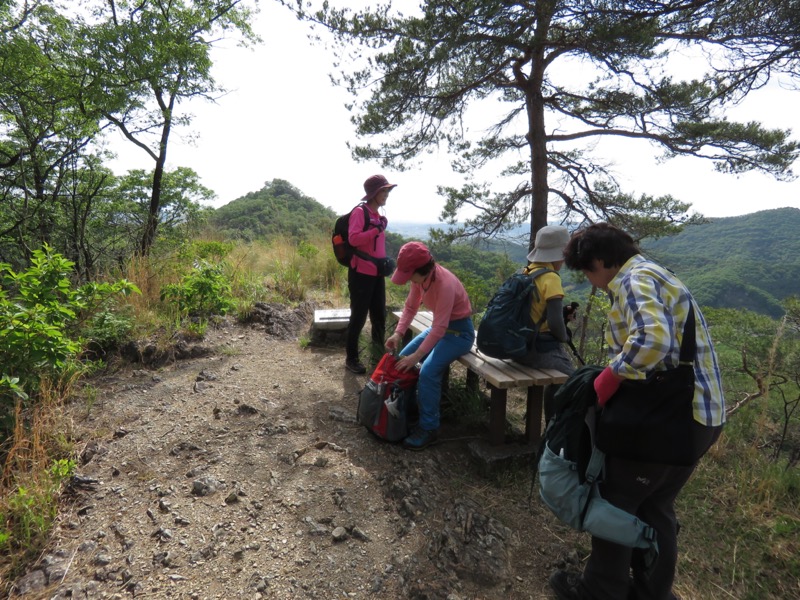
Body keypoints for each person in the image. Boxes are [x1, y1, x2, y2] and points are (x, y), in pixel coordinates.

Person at [550, 222, 726, 600]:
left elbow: (652, 340)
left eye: (587, 271)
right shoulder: (658, 274)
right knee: (656, 505)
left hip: (669, 418)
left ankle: (599, 591)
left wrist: (608, 378)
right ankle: (652, 591)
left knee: (617, 502)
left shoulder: (632, 280)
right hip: (702, 416)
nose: (591, 281)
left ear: (600, 260)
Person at [385, 241, 474, 450]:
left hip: (459, 333)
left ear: (421, 270)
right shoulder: (420, 280)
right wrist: (398, 334)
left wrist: (417, 357)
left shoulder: (444, 284)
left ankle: (429, 427)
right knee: (402, 360)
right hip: (439, 329)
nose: (408, 280)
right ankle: (410, 411)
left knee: (427, 371)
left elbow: (441, 327)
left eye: (409, 274)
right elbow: (410, 307)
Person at [515, 225, 578, 422]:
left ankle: (548, 422)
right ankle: (554, 427)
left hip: (517, 345)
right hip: (536, 349)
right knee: (573, 380)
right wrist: (566, 337)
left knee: (560, 379)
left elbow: (536, 311)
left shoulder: (526, 271)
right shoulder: (551, 278)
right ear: (560, 254)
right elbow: (555, 325)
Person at [345, 174, 396, 374]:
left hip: (376, 274)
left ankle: (377, 356)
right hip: (361, 274)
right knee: (358, 316)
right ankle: (352, 358)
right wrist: (376, 230)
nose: (386, 195)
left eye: (387, 191)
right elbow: (354, 239)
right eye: (384, 191)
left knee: (379, 316)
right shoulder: (360, 212)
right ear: (374, 193)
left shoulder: (376, 216)